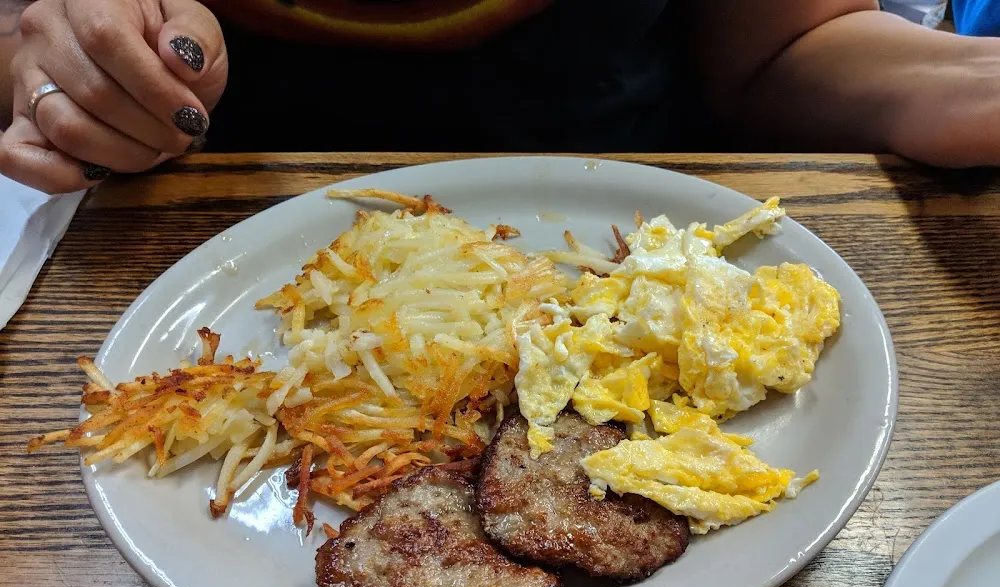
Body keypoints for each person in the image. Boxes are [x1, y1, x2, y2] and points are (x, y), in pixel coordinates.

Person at [1, 0, 999, 195]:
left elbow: (785, 48)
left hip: (640, 238)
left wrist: (947, 87)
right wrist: (61, 65)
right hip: (204, 267)